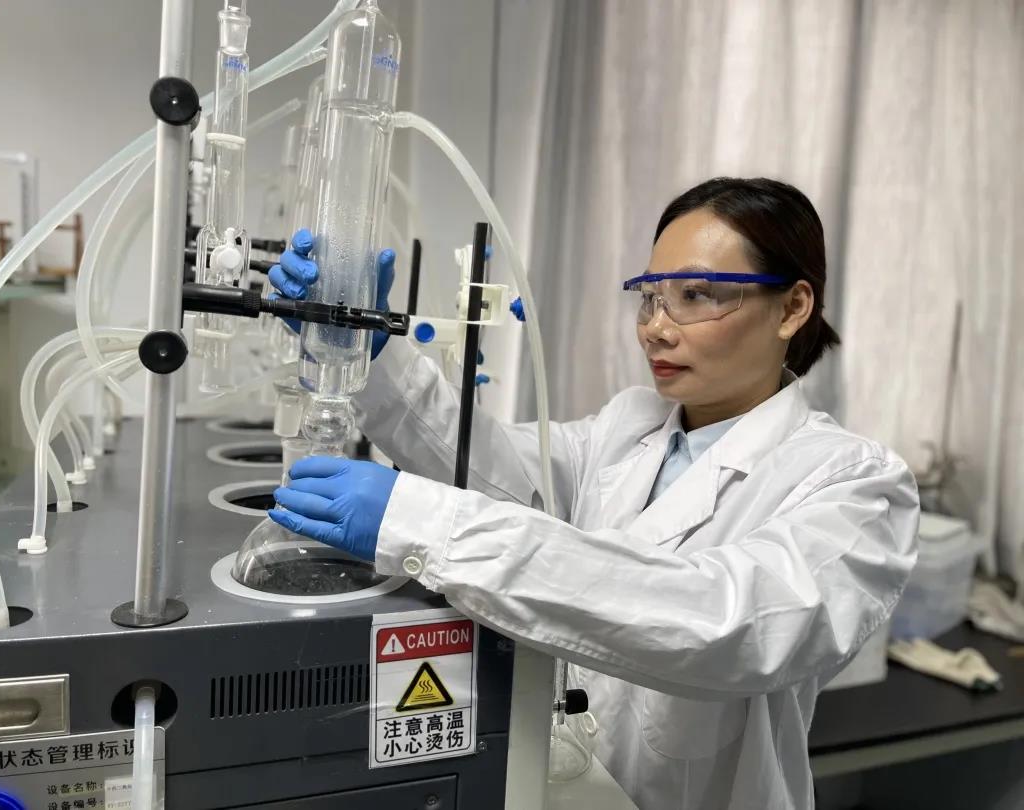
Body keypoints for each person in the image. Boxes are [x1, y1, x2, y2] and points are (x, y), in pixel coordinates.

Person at [266, 177, 919, 810]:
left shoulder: (856, 484)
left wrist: (429, 524)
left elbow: (733, 626)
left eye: (696, 295)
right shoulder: (629, 425)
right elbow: (495, 471)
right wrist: (373, 351)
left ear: (793, 307)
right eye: (650, 297)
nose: (656, 328)